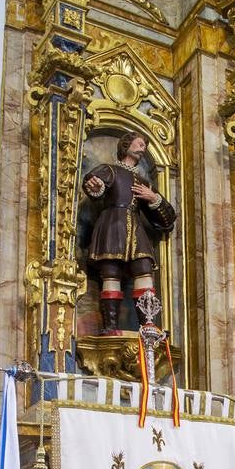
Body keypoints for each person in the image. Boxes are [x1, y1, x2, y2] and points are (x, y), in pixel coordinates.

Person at [82, 131, 176, 334]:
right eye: (139, 143)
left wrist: (153, 198)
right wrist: (96, 186)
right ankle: (111, 327)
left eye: (145, 145)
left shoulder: (144, 183)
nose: (143, 148)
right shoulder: (110, 170)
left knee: (144, 268)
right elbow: (94, 184)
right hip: (113, 226)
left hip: (135, 229)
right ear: (126, 145)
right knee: (111, 273)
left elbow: (167, 219)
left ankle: (148, 325)